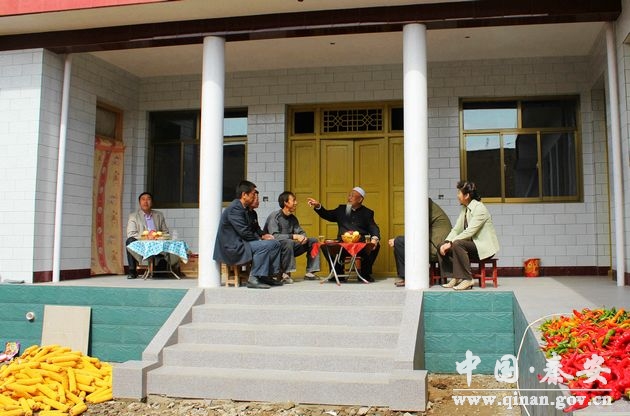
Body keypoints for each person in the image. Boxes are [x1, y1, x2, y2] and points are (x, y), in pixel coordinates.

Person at [213, 180, 282, 289]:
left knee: (275, 244)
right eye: (253, 194)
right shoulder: (235, 209)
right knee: (266, 245)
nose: (255, 197)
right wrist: (261, 240)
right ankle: (254, 278)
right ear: (244, 195)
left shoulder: (244, 209)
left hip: (242, 243)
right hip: (233, 247)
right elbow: (244, 232)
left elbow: (254, 229)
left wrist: (263, 237)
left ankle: (266, 276)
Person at [306, 186, 380, 282]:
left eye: (352, 196)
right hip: (342, 245)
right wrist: (317, 206)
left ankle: (364, 274)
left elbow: (373, 226)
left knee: (374, 246)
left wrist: (375, 238)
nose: (349, 197)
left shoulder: (367, 212)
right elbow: (327, 214)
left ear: (360, 199)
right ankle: (337, 273)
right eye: (349, 195)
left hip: (360, 246)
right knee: (325, 246)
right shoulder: (342, 209)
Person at [438, 180, 500, 291]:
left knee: (457, 243)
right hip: (471, 245)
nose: (457, 196)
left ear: (466, 195)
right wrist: (447, 242)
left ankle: (467, 279)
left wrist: (451, 243)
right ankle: (456, 276)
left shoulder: (480, 208)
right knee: (441, 245)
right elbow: (456, 229)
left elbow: (469, 232)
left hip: (483, 247)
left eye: (459, 193)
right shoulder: (465, 209)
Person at [387, 198, 452, 287]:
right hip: (434, 244)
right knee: (399, 243)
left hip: (437, 248)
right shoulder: (430, 207)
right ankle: (406, 275)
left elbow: (418, 233)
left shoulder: (425, 208)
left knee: (399, 242)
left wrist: (396, 240)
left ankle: (405, 276)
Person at [264, 191, 321, 283]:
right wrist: (294, 236)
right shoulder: (274, 217)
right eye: (293, 200)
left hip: (289, 248)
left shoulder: (292, 218)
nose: (296, 203)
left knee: (313, 241)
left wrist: (303, 237)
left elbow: (300, 231)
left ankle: (310, 272)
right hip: (275, 248)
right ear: (286, 203)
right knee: (288, 242)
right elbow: (274, 236)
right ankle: (285, 274)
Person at [125, 192, 172, 279]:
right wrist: (147, 237)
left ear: (152, 202)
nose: (145, 202)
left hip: (157, 242)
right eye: (143, 199)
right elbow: (131, 233)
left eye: (148, 199)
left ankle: (160, 269)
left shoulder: (159, 215)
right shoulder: (133, 216)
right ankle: (132, 271)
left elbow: (165, 232)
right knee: (129, 241)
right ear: (139, 203)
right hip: (141, 244)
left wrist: (156, 237)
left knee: (170, 242)